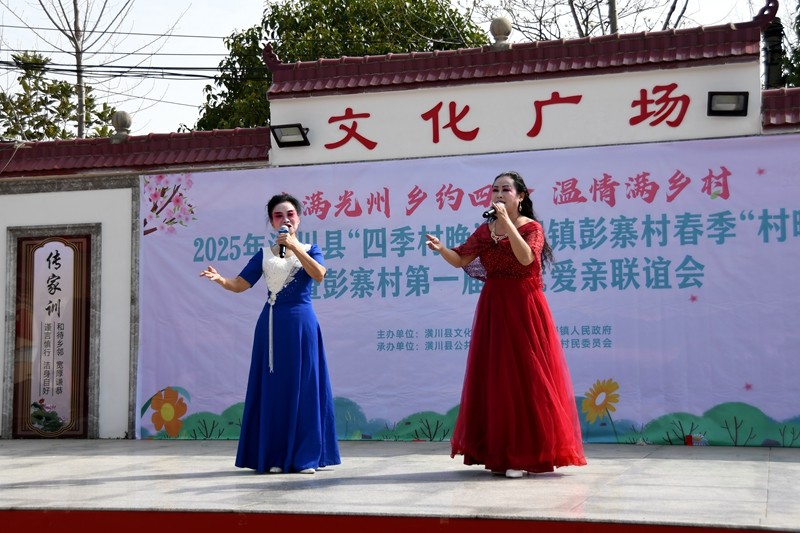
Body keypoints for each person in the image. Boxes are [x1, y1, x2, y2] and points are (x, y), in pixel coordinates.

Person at [425, 171, 586, 478]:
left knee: (525, 376)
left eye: (506, 190)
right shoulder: (485, 230)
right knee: (497, 378)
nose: (498, 194)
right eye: (495, 189)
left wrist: (507, 222)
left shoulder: (531, 228)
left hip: (524, 307)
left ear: (520, 196)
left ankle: (523, 455)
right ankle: (498, 451)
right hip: (494, 306)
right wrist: (441, 248)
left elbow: (526, 259)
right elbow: (461, 260)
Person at [200, 193, 340, 474]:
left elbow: (319, 274)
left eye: (290, 214)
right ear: (272, 222)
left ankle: (305, 457)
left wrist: (294, 247)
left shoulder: (311, 249)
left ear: (298, 219)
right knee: (275, 389)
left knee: (305, 386)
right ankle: (274, 455)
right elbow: (240, 283)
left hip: (302, 324)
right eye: (279, 216)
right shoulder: (264, 255)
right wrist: (221, 280)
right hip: (272, 326)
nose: (285, 219)